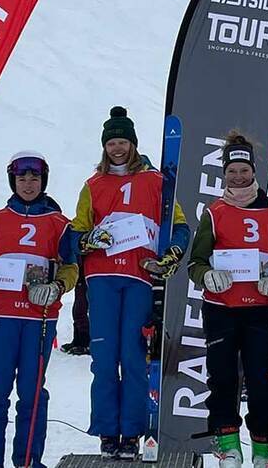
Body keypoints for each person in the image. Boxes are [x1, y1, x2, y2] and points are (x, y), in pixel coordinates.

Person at [71, 106, 190, 459]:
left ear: (133, 145)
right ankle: (109, 431)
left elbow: (178, 226)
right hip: (102, 277)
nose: (117, 148)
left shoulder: (155, 182)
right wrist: (87, 241)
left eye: (123, 142)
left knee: (134, 356)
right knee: (105, 358)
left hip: (138, 276)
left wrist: (172, 254)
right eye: (112, 143)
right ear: (104, 146)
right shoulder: (92, 185)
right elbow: (76, 232)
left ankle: (133, 432)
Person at [188, 131, 268, 468]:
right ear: (224, 173)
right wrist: (206, 276)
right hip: (222, 309)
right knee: (223, 378)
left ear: (254, 172)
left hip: (261, 310)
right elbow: (195, 263)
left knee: (261, 380)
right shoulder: (214, 213)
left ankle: (263, 446)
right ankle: (228, 444)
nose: (238, 177)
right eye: (232, 171)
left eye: (244, 171)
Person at [0, 150, 78, 468]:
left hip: (38, 318)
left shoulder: (59, 224)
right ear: (13, 180)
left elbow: (71, 268)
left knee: (31, 392)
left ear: (44, 180)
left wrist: (56, 287)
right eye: (22, 177)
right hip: (0, 318)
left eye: (35, 177)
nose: (28, 183)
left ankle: (28, 461)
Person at [59, 261, 90, 356]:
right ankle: (78, 339)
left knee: (82, 305)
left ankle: (85, 342)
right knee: (78, 304)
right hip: (80, 264)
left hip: (88, 265)